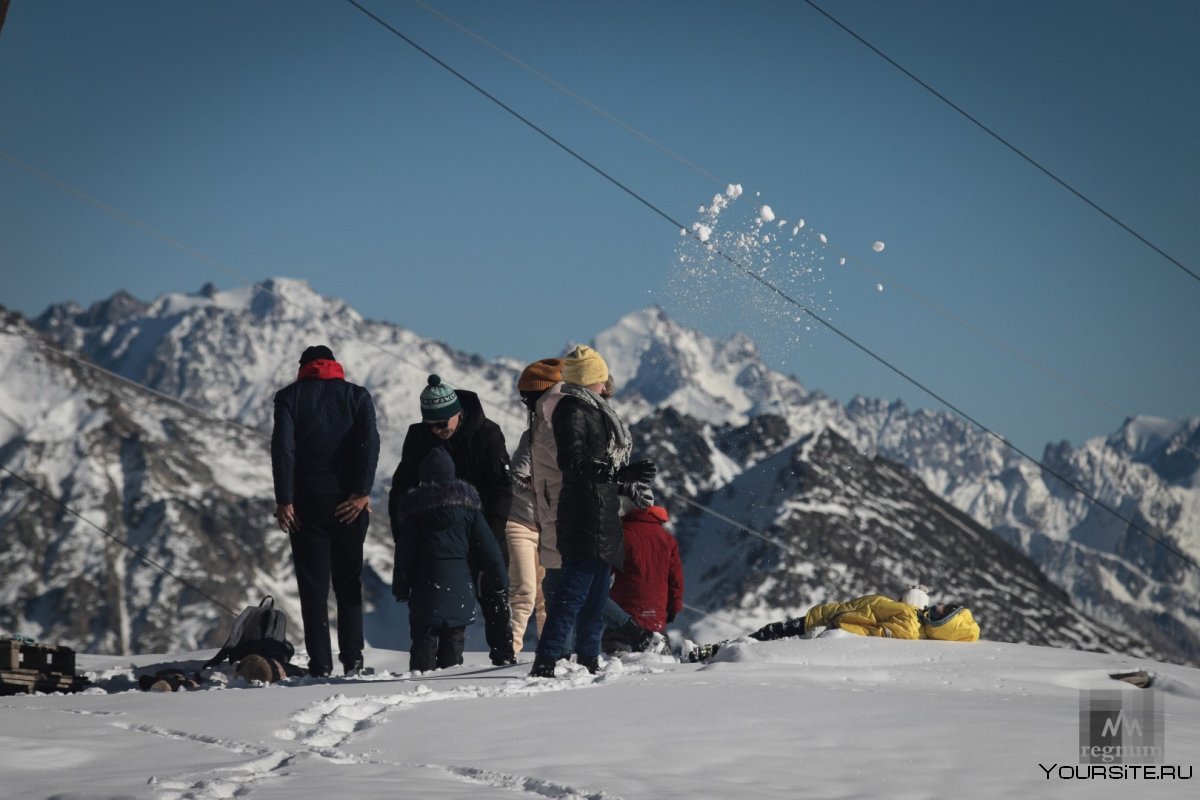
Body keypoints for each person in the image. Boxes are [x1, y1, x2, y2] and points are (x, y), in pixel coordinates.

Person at [530, 345, 656, 678]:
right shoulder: (572, 410)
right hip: (585, 514)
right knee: (572, 594)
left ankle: (588, 659)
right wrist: (617, 475)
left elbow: (597, 464)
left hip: (601, 513)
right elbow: (572, 463)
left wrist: (624, 482)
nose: (606, 386)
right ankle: (546, 661)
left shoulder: (594, 410)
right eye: (601, 379)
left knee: (596, 598)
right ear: (591, 380)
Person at [388, 374, 516, 665]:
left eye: (443, 424)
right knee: (434, 606)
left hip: (482, 526)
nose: (437, 431)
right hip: (436, 535)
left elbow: (501, 490)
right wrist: (404, 534)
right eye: (431, 425)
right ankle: (437, 664)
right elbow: (401, 488)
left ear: (458, 414)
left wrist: (487, 537)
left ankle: (503, 657)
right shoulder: (419, 437)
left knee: (494, 593)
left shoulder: (487, 434)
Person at [271, 345, 379, 677]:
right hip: (349, 503)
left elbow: (283, 448)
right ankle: (354, 660)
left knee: (313, 586)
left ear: (303, 367)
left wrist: (284, 499)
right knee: (349, 582)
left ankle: (320, 664)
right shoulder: (357, 396)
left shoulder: (289, 397)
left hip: (306, 503)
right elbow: (370, 441)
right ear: (334, 366)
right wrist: (362, 492)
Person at [392, 447, 509, 672]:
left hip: (425, 588)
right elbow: (490, 550)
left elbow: (404, 555)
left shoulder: (414, 514)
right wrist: (500, 580)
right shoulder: (469, 511)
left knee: (423, 644)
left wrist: (401, 587)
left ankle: (420, 685)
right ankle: (449, 684)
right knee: (453, 643)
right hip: (460, 588)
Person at [689, 589, 979, 661]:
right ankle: (713, 651)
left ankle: (710, 653)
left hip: (819, 624)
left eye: (947, 610)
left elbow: (870, 633)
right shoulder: (914, 617)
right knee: (762, 636)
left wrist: (835, 627)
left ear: (944, 623)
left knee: (763, 638)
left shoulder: (909, 627)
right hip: (822, 619)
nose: (941, 606)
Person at [506, 358, 564, 653]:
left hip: (550, 527)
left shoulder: (563, 436)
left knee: (548, 598)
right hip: (522, 524)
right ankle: (507, 653)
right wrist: (545, 500)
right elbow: (515, 477)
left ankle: (550, 654)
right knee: (524, 594)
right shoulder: (533, 438)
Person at [602, 503, 683, 655]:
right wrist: (674, 607)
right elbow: (675, 580)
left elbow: (602, 575)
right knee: (660, 668)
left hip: (623, 616)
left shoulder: (622, 535)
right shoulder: (668, 539)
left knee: (614, 668)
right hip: (656, 621)